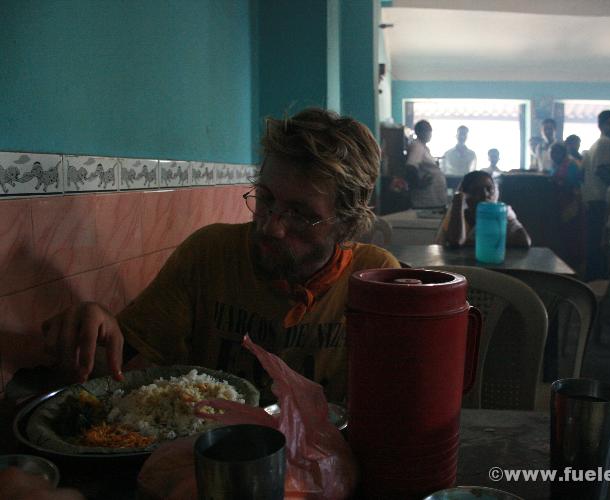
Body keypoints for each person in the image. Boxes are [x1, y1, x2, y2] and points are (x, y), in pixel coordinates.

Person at [40, 108, 400, 404]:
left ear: (347, 223)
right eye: (267, 199)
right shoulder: (209, 255)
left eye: (301, 214)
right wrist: (97, 325)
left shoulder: (374, 279)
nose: (272, 227)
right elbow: (124, 365)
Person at [436, 170, 531, 248]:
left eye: (489, 189)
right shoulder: (457, 215)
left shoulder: (502, 213)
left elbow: (525, 241)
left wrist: (477, 243)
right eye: (476, 190)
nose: (485, 195)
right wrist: (458, 197)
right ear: (465, 194)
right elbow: (455, 242)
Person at [581, 109, 610, 279]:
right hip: (601, 197)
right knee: (600, 239)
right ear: (600, 125)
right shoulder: (606, 143)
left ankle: (591, 274)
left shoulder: (594, 145)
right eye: (609, 123)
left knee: (593, 239)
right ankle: (598, 275)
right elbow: (602, 170)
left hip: (590, 197)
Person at [550, 143, 585, 272]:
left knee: (572, 235)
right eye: (553, 153)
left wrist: (558, 183)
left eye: (558, 152)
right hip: (559, 204)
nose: (555, 155)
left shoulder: (572, 165)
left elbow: (574, 184)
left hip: (572, 203)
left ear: (563, 153)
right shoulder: (556, 166)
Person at [404, 120, 448, 208]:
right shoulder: (417, 146)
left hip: (433, 197)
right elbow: (411, 166)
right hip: (426, 198)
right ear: (419, 132)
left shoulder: (423, 147)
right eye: (427, 130)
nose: (429, 133)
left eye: (430, 130)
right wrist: (418, 184)